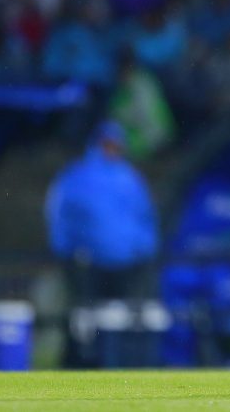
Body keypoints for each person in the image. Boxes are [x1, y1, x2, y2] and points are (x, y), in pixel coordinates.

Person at [44, 121, 158, 366]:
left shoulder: (130, 178)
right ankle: (77, 366)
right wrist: (65, 250)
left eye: (117, 145)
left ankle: (122, 365)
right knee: (84, 318)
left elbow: (145, 216)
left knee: (124, 318)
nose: (113, 149)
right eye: (108, 144)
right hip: (88, 261)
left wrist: (145, 248)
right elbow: (60, 215)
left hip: (128, 262)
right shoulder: (77, 175)